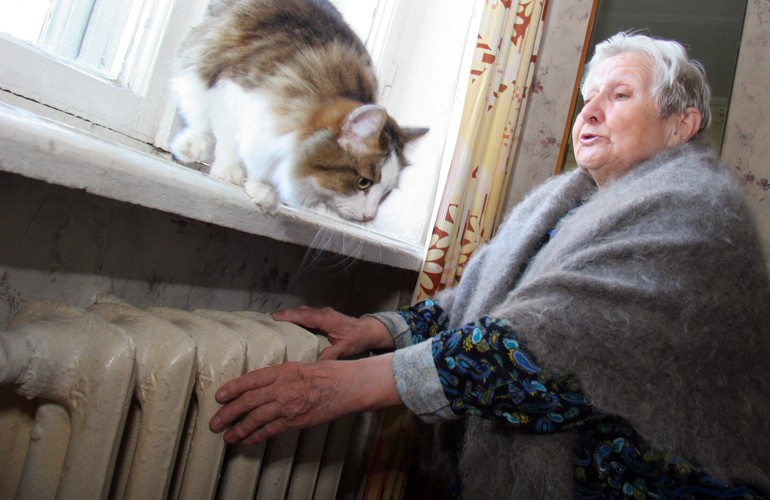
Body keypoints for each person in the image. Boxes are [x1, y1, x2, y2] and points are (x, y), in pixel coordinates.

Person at [209, 32, 770, 498]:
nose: (590, 111)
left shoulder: (698, 214)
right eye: (588, 97)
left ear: (681, 125)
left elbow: (551, 346)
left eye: (619, 96)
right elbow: (483, 296)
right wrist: (380, 328)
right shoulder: (570, 199)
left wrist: (345, 386)